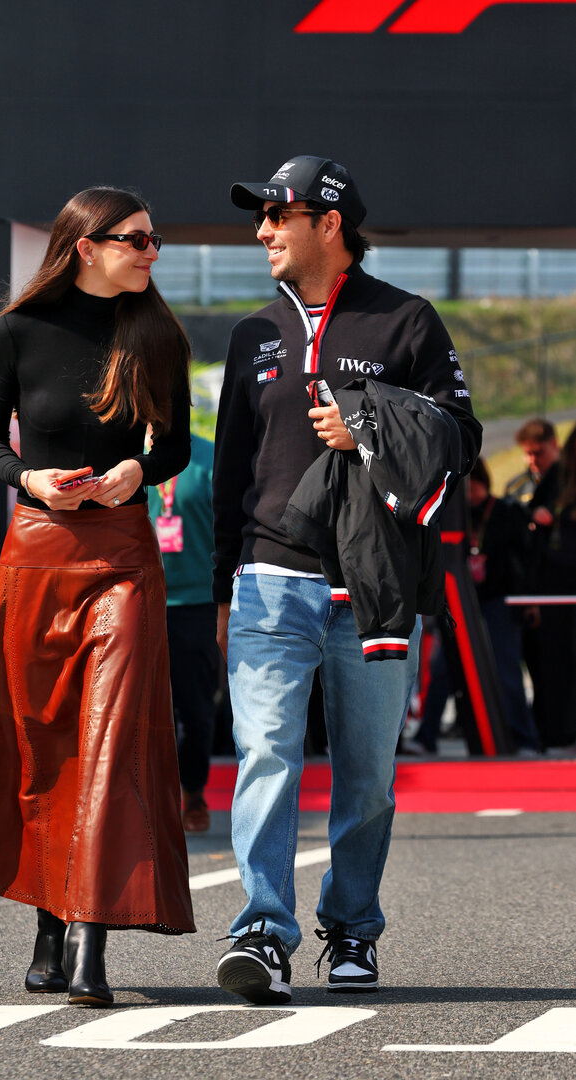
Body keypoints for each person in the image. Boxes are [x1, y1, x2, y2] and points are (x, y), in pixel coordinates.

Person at [212, 155, 481, 1002]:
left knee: (365, 777)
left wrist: (366, 423)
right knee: (265, 757)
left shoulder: (408, 319)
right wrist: (223, 588)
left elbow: (462, 436)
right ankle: (262, 931)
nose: (262, 231)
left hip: (374, 587)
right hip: (267, 579)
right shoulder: (251, 333)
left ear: (328, 224)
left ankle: (352, 927)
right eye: (260, 217)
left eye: (277, 215)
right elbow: (229, 470)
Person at [0, 186, 195, 1007]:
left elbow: (176, 444)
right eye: (136, 239)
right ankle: (49, 928)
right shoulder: (17, 332)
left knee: (109, 741)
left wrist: (136, 469)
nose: (151, 252)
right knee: (44, 743)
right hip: (37, 551)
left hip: (123, 556)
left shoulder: (158, 334)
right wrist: (30, 478)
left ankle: (86, 941)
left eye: (153, 240)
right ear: (86, 246)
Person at [405, 457, 540, 755]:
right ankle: (427, 736)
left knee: (507, 669)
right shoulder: (453, 514)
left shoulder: (505, 513)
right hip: (460, 600)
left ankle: (524, 738)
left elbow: (524, 558)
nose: (470, 493)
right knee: (442, 669)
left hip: (498, 600)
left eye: (474, 486)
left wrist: (527, 597)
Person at [148, 432, 218, 832]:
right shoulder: (127, 456)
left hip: (196, 603)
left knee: (194, 708)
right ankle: (149, 800)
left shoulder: (208, 456)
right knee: (141, 711)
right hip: (141, 599)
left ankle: (193, 791)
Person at [528, 424, 576, 753]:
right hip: (553, 586)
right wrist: (537, 514)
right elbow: (529, 517)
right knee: (554, 660)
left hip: (561, 582)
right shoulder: (556, 478)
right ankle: (556, 731)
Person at [504, 417, 560, 507]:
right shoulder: (515, 489)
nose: (532, 460)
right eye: (528, 454)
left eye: (538, 453)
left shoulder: (571, 480)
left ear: (554, 443)